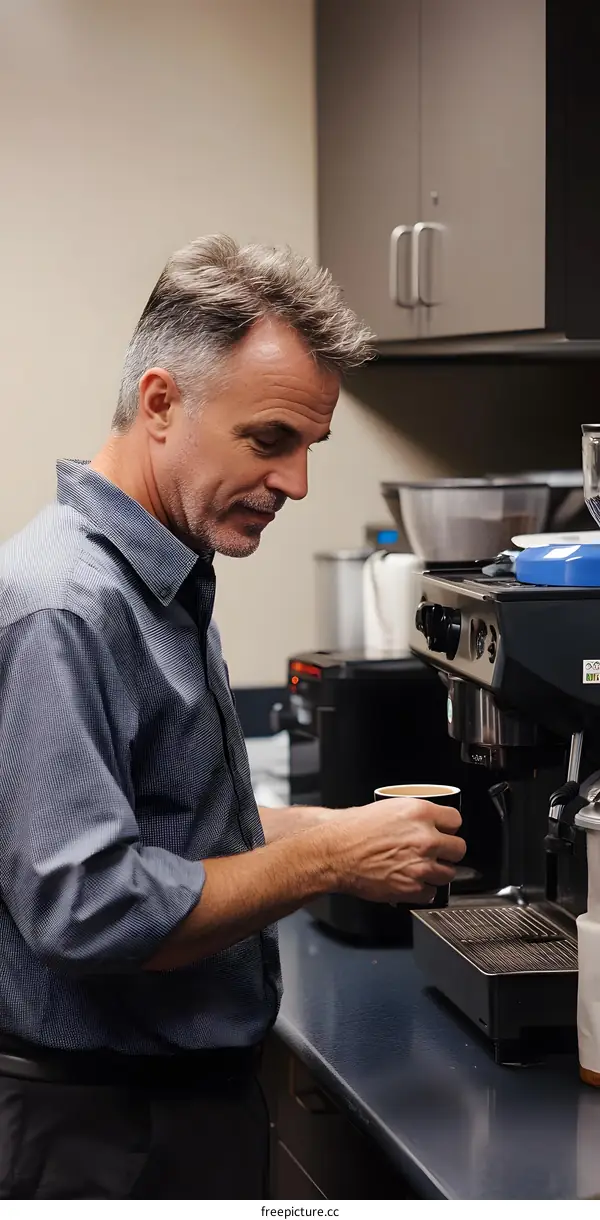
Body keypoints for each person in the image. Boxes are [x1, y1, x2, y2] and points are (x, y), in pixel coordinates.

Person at [0, 235, 465, 1199]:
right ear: (161, 403)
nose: (296, 483)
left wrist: (336, 830)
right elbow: (88, 910)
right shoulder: (67, 604)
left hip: (168, 1107)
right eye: (269, 441)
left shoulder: (159, 574)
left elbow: (166, 822)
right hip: (103, 1133)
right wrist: (330, 861)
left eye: (309, 447)